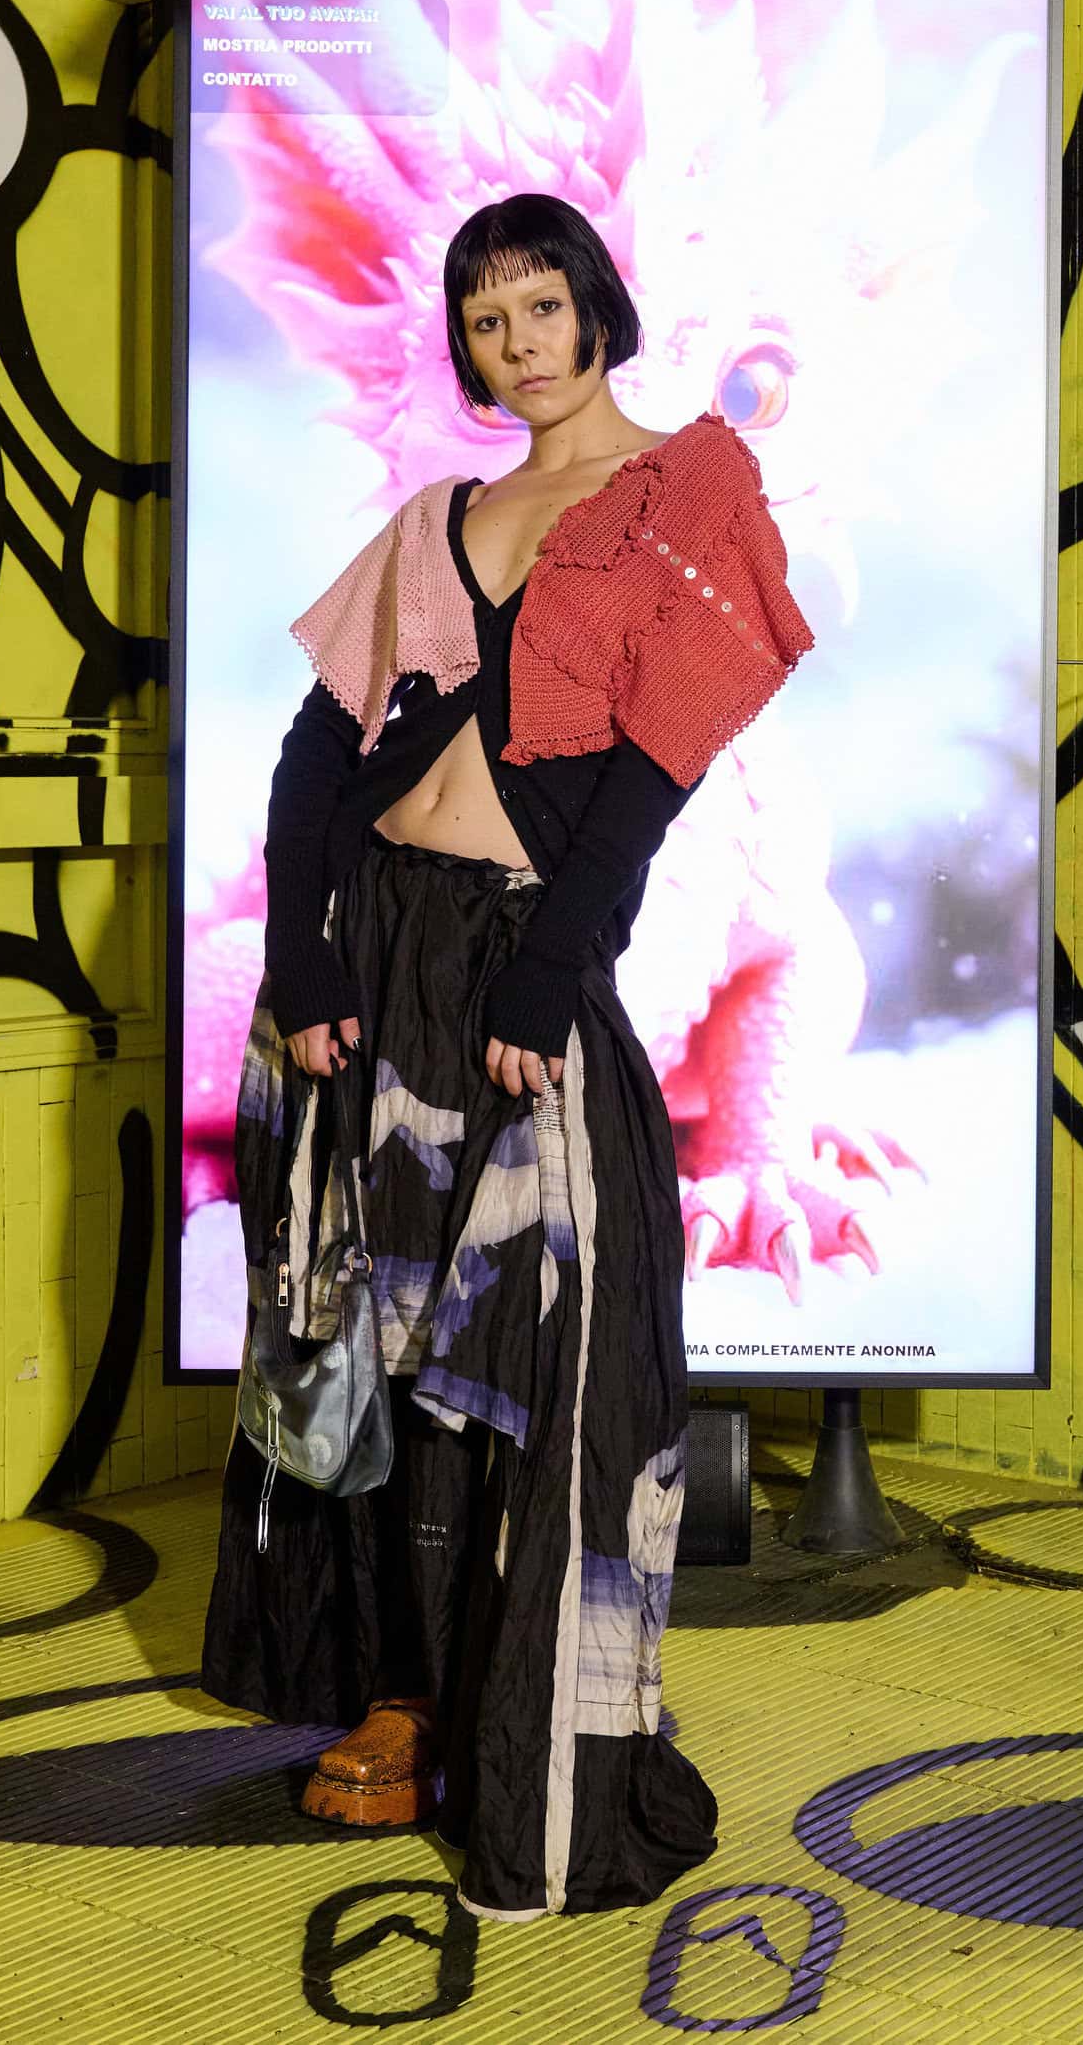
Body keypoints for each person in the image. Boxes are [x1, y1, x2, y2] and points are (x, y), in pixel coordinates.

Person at [200, 191, 814, 1919]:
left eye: (541, 304)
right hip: (370, 950)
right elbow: (316, 755)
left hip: (518, 957)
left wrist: (551, 976)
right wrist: (303, 952)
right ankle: (397, 1700)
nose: (516, 341)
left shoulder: (688, 497)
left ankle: (526, 1720)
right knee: (371, 1352)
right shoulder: (437, 521)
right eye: (485, 318)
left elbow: (647, 782)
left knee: (555, 1354)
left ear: (597, 308)